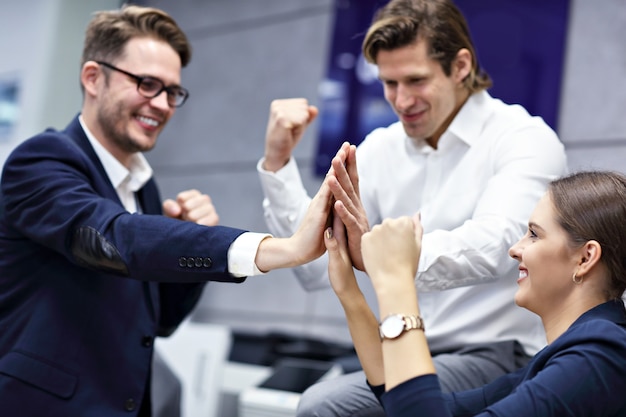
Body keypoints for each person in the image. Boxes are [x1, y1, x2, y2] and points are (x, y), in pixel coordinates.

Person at [0, 5, 334, 417]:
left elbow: (161, 321)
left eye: (172, 91)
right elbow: (108, 240)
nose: (161, 104)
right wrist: (273, 250)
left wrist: (181, 250)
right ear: (93, 78)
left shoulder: (145, 190)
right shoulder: (41, 161)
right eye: (146, 84)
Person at [257, 0, 568, 415]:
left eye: (415, 80)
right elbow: (313, 267)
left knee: (324, 407)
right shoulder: (380, 150)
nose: (401, 100)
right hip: (400, 342)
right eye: (389, 83)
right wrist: (277, 163)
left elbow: (497, 247)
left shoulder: (524, 139)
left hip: (496, 353)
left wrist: (386, 258)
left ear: (460, 66)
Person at [324, 170, 626, 416]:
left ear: (585, 258)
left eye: (534, 234)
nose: (515, 249)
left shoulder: (600, 353)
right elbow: (403, 401)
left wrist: (397, 279)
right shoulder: (575, 354)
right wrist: (348, 292)